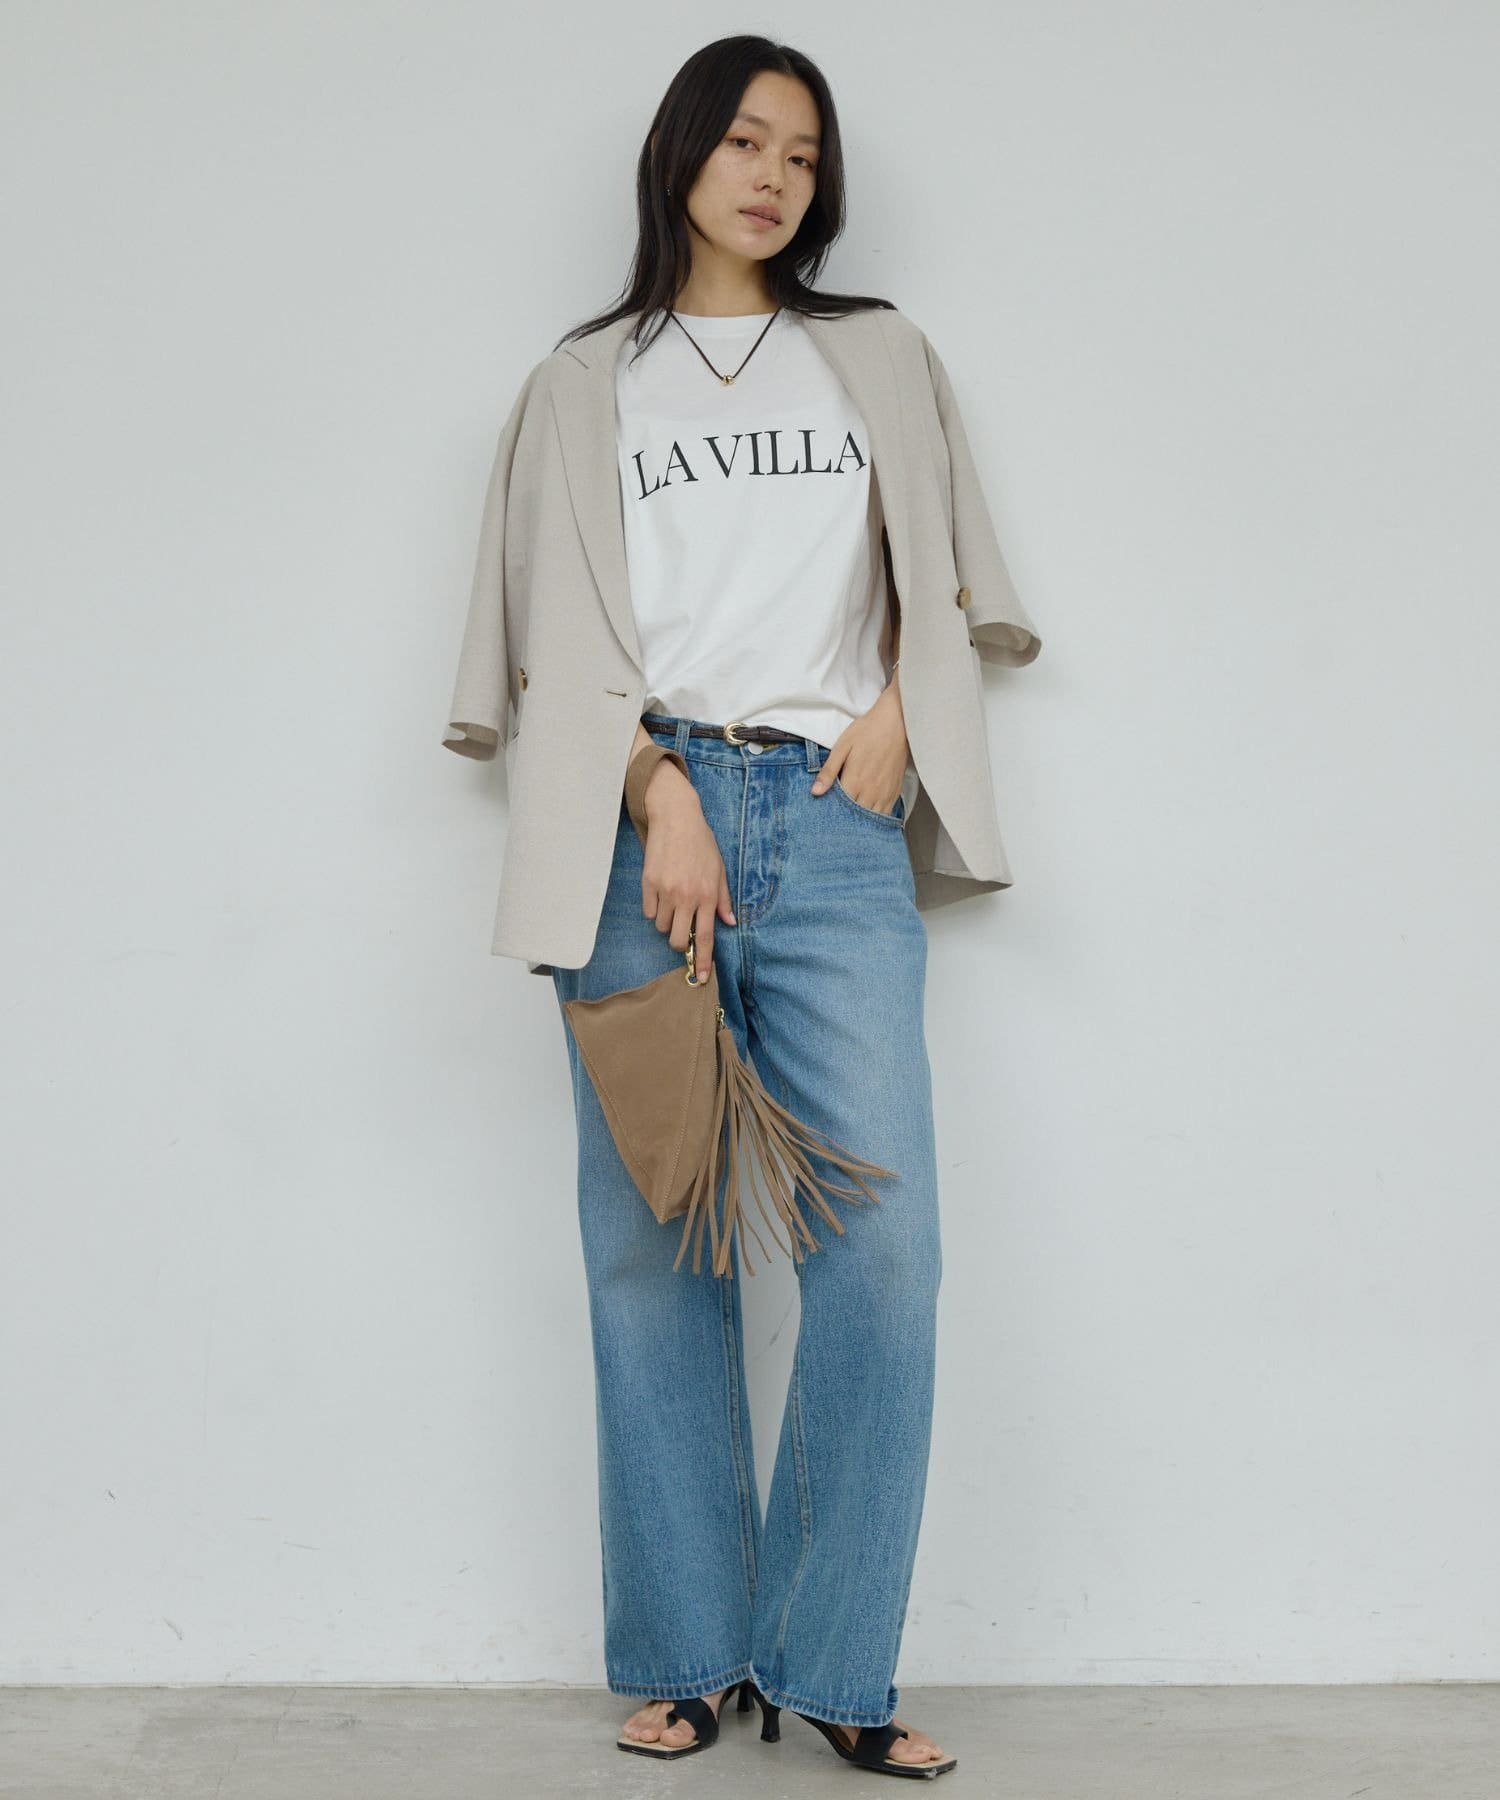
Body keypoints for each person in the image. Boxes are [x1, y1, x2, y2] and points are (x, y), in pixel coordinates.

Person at [446, 32, 1044, 1780]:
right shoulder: (581, 385)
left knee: (886, 1251)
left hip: (840, 825)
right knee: (653, 1250)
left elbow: (955, 591)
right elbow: (543, 651)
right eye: (743, 142)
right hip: (646, 838)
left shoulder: (882, 356)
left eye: (802, 152)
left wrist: (898, 720)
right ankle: (690, 1658)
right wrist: (657, 795)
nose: (774, 175)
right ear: (682, 157)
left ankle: (835, 1663)